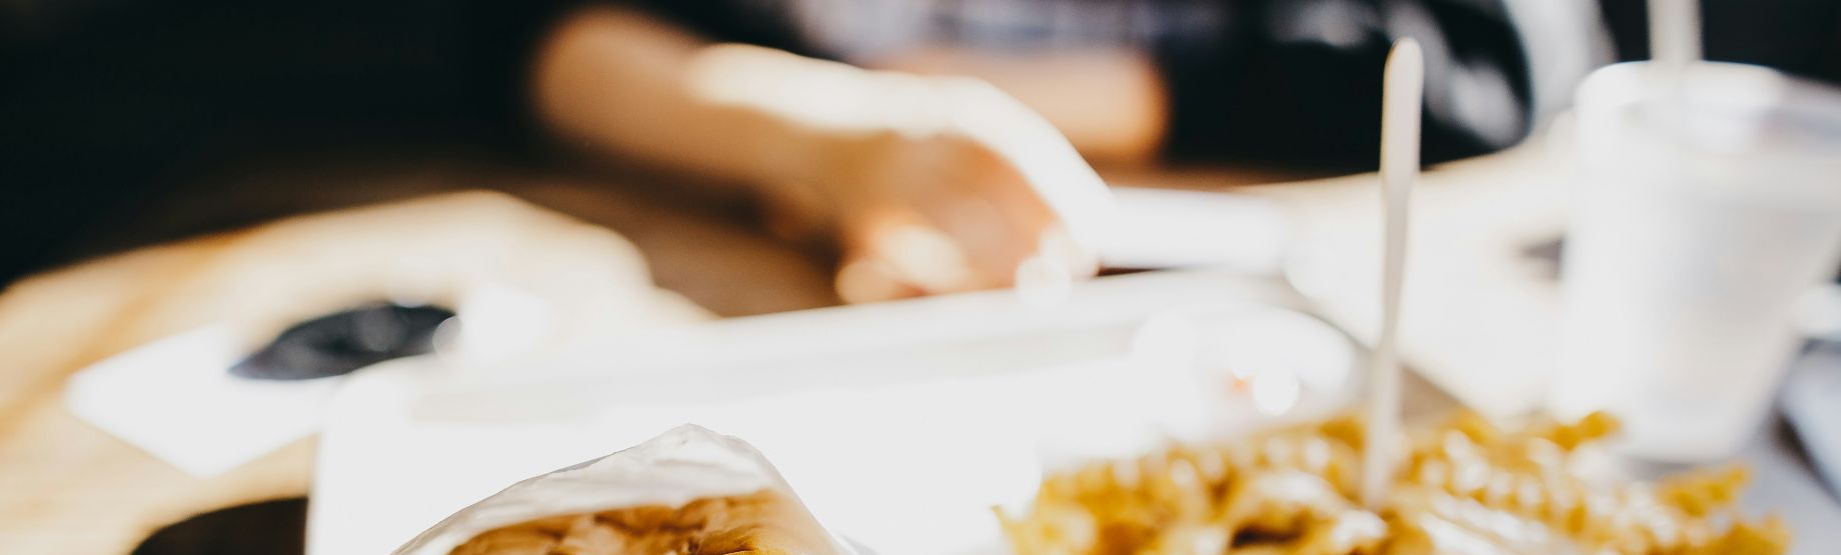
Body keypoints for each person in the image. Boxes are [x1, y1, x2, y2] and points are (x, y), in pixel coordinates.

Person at [525, 2, 1606, 300]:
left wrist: (973, 107)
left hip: (1268, 261)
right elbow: (543, 42)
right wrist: (832, 136)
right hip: (765, 268)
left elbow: (1487, 61)